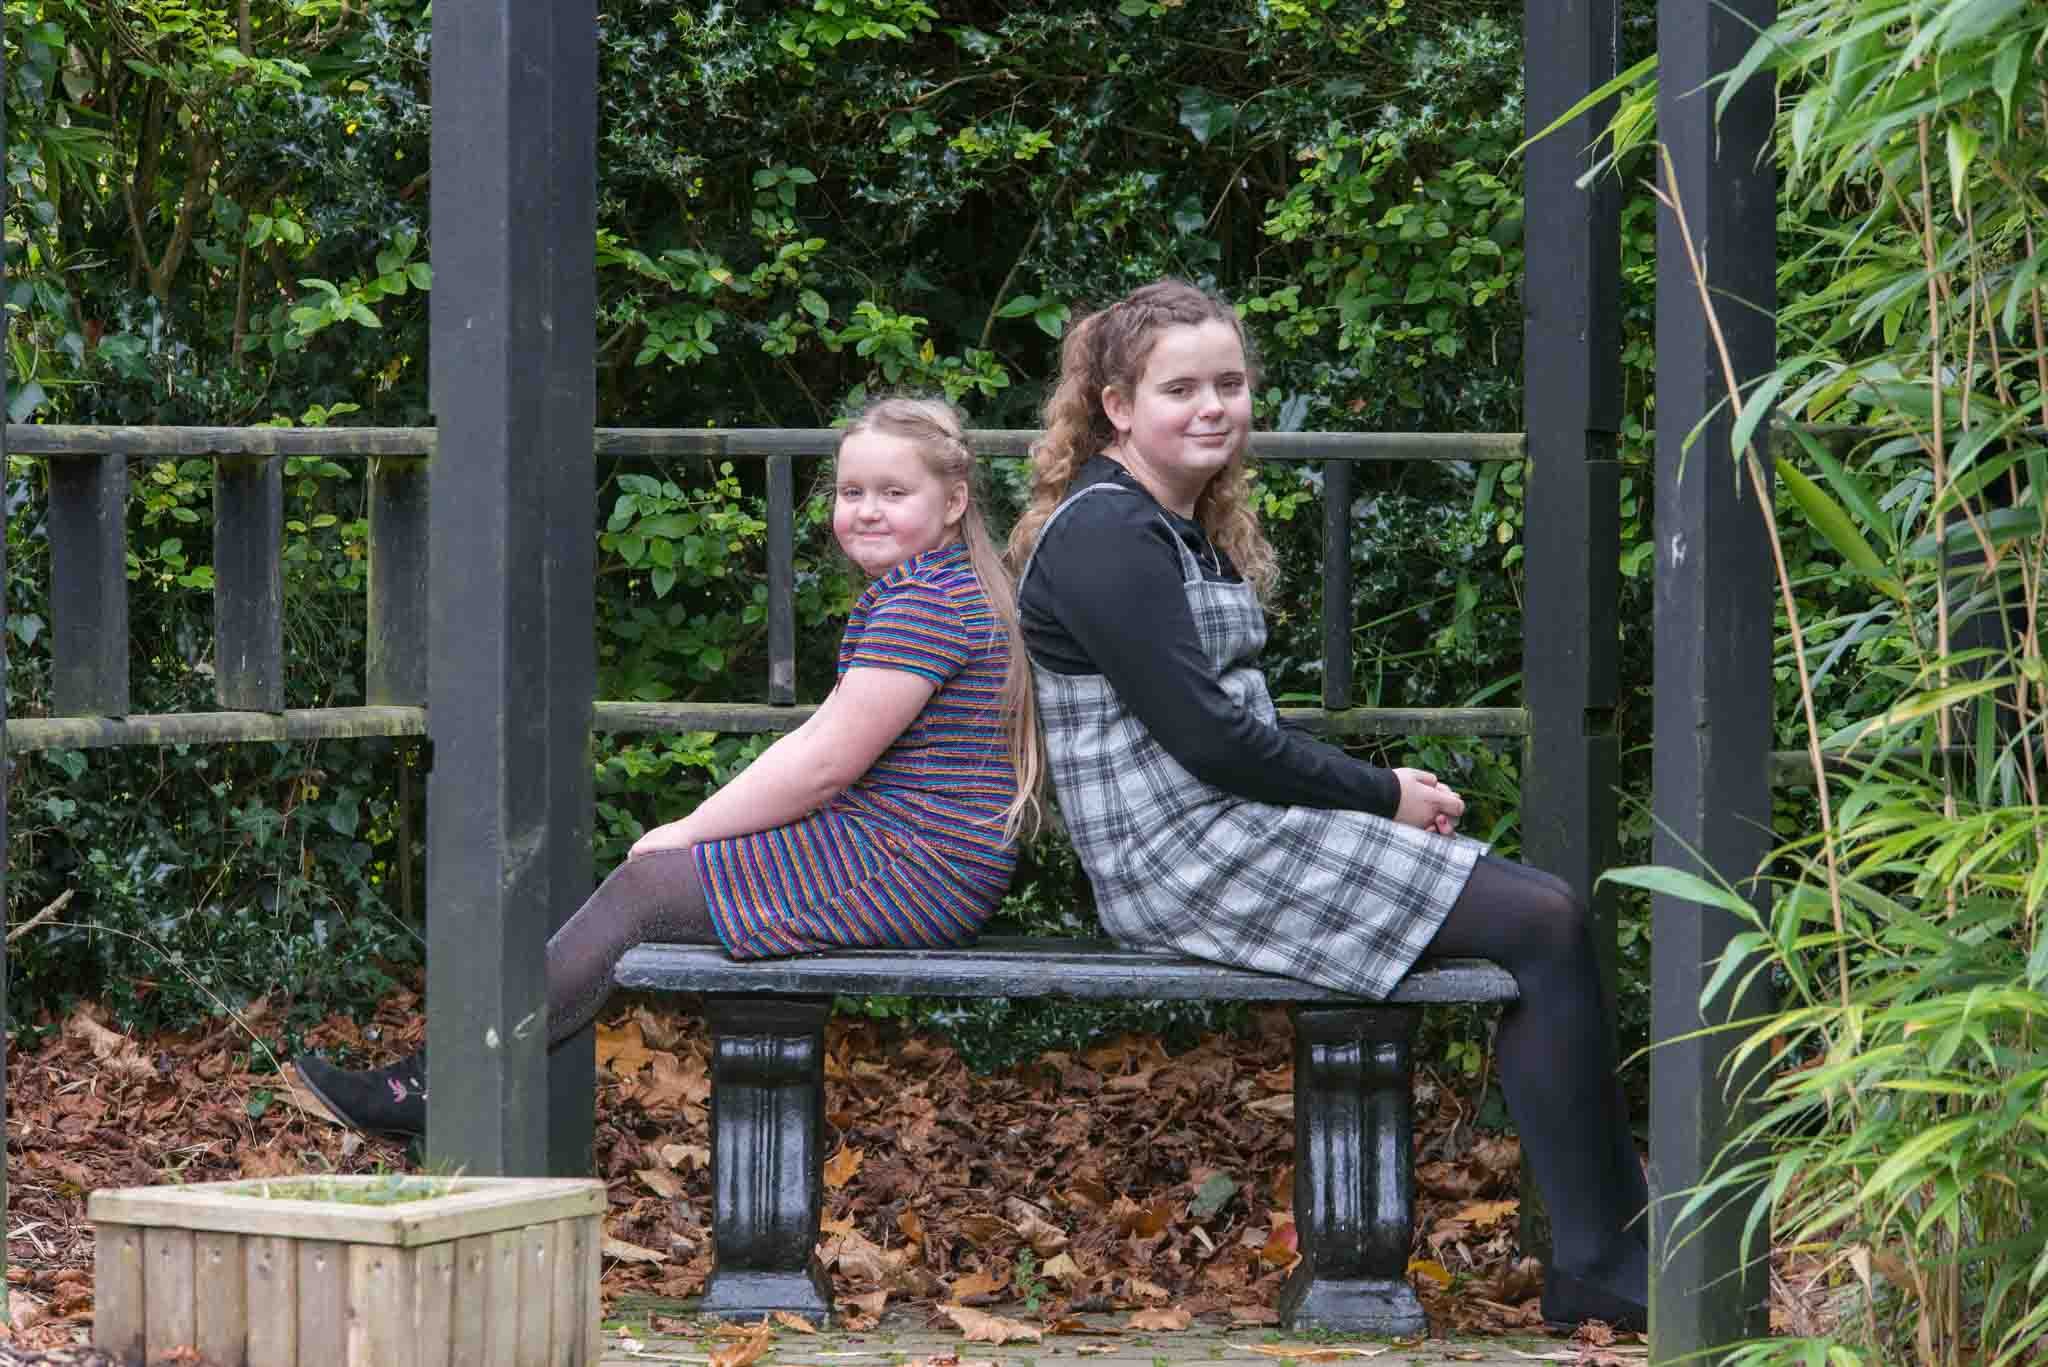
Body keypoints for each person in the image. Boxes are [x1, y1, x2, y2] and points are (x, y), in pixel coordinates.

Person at [1007, 279, 1650, 1331]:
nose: (1213, 405)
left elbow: (1233, 738)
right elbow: (1212, 741)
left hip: (1227, 828)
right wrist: (1381, 793)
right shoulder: (1104, 537)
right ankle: (1595, 1260)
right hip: (1178, 857)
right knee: (1539, 920)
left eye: (1229, 381)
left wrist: (1374, 799)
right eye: (1182, 388)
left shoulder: (1173, 523)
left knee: (1542, 911)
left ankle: (1615, 1241)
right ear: (1116, 405)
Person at [295, 396, 1040, 1137]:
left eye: (893, 492)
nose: (867, 510)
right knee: (652, 884)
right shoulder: (936, 590)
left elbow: (824, 763)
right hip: (914, 855)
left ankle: (438, 1089)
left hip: (910, 864)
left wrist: (689, 828)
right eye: (852, 493)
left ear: (955, 501)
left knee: (648, 887)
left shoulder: (927, 606)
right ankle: (445, 1082)